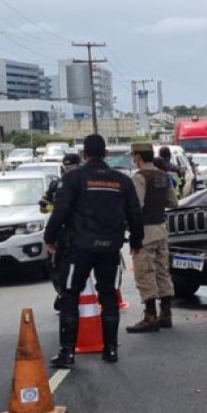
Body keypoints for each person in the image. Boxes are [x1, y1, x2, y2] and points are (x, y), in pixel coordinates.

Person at [44, 134, 144, 366]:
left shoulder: (74, 178)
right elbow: (135, 214)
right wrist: (136, 242)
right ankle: (111, 349)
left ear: (84, 154)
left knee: (70, 294)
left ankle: (67, 351)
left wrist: (50, 237)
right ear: (106, 153)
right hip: (110, 247)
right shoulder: (122, 180)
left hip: (80, 246)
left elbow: (60, 210)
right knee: (108, 295)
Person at [126, 142, 177, 333]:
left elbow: (136, 207)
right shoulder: (164, 175)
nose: (133, 159)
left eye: (133, 155)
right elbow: (173, 202)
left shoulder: (139, 177)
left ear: (138, 157)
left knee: (145, 273)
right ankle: (166, 314)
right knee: (163, 271)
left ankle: (150, 316)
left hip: (145, 231)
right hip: (161, 229)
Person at [40, 152, 83, 307]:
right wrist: (56, 208)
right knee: (56, 265)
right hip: (63, 231)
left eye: (71, 166)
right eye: (66, 166)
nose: (69, 169)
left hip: (84, 230)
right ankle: (62, 293)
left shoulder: (87, 182)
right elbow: (43, 207)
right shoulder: (56, 185)